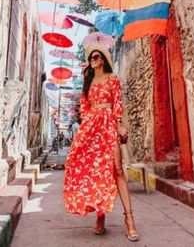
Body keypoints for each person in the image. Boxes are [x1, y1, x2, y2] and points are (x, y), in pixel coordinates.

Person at [63, 44, 139, 242]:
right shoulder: (88, 82)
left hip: (109, 125)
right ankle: (100, 216)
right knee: (95, 171)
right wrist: (86, 129)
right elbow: (85, 108)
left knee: (118, 170)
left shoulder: (112, 78)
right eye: (90, 58)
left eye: (96, 57)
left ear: (103, 59)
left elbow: (118, 103)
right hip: (92, 128)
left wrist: (119, 125)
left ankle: (129, 219)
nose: (93, 60)